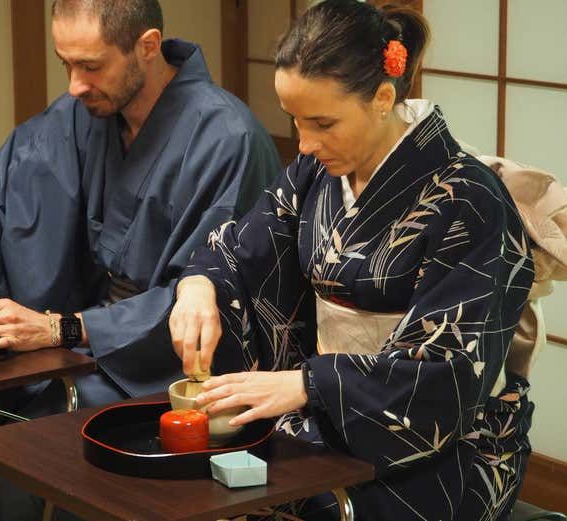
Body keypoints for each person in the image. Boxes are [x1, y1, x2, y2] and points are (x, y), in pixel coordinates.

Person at [0, 0, 281, 519]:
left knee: (38, 430)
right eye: (66, 64)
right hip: (82, 333)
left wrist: (60, 329)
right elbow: (11, 199)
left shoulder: (225, 137)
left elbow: (211, 287)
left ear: (147, 47)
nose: (74, 85)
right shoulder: (84, 113)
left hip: (167, 357)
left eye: (91, 65)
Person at [169, 1, 535, 520]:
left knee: (294, 503)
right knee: (211, 485)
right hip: (329, 412)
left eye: (323, 123)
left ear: (383, 98)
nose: (306, 143)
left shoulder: (469, 201)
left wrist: (307, 385)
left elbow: (448, 375)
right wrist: (198, 289)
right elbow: (239, 250)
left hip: (447, 442)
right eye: (295, 121)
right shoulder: (316, 173)